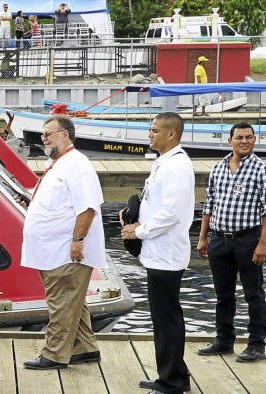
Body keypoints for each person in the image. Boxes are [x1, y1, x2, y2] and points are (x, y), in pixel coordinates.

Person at [21, 115, 105, 371]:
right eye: (43, 135)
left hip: (65, 252)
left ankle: (54, 355)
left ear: (65, 135)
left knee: (61, 303)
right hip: (51, 250)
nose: (43, 139)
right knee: (72, 303)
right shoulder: (59, 164)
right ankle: (84, 347)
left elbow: (88, 208)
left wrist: (77, 241)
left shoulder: (77, 165)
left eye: (48, 134)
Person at [121, 112, 194, 394]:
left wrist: (139, 232)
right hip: (157, 251)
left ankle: (171, 382)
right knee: (165, 316)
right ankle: (178, 374)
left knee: (166, 319)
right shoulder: (164, 163)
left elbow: (171, 214)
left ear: (171, 134)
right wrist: (134, 218)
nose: (149, 134)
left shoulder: (177, 166)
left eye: (154, 130)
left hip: (167, 254)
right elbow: (156, 204)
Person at [196, 122, 266, 363]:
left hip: (248, 239)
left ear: (254, 140)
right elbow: (209, 204)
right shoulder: (218, 167)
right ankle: (224, 339)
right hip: (218, 239)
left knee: (254, 294)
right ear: (230, 141)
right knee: (223, 294)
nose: (244, 141)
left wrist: (263, 244)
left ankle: (257, 343)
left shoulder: (261, 169)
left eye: (249, 137)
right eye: (239, 137)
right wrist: (203, 237)